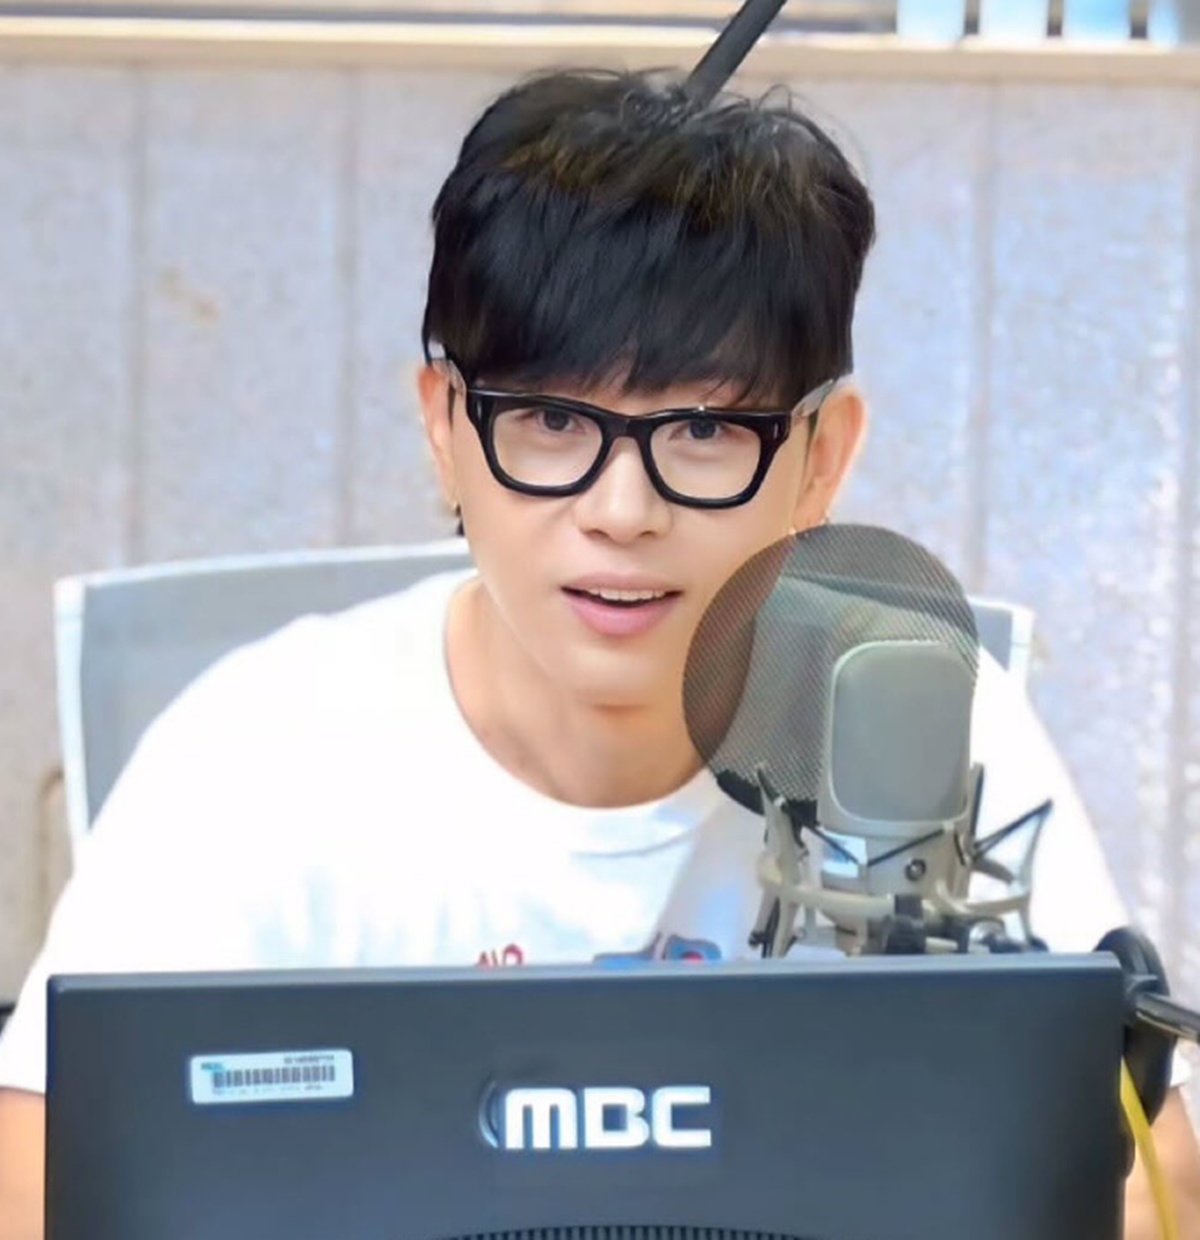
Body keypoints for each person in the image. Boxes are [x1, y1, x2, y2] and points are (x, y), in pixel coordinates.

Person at [0, 69, 1196, 1240]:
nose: (623, 511)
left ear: (823, 457)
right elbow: (39, 1181)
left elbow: (1149, 1179)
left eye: (706, 429)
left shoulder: (921, 717)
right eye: (553, 421)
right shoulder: (256, 751)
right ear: (444, 428)